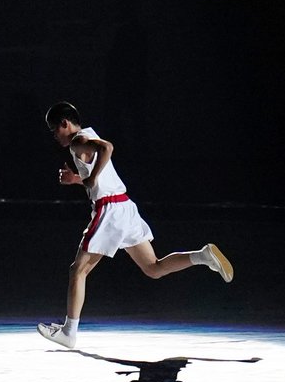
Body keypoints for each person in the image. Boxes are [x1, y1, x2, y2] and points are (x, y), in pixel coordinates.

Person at [37, 101, 233, 349]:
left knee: (78, 270)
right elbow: (101, 170)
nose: (55, 136)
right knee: (153, 268)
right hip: (125, 207)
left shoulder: (77, 140)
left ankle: (69, 332)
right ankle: (202, 256)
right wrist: (79, 178)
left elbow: (107, 148)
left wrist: (92, 176)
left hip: (110, 211)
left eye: (55, 130)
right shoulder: (88, 134)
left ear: (65, 124)